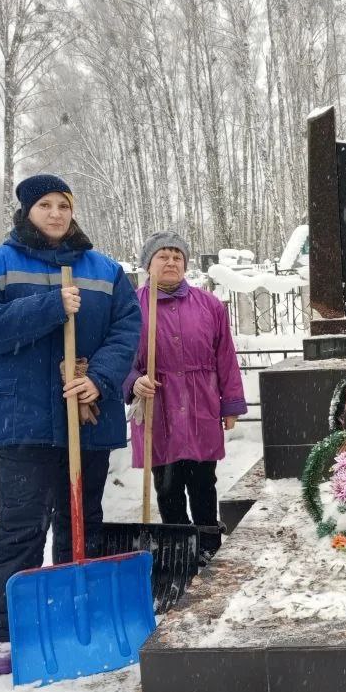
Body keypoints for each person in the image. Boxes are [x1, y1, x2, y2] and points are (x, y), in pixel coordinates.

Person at [0, 173, 141, 676]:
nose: (57, 213)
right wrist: (49, 307)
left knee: (82, 520)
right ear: (27, 211)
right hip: (25, 420)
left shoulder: (104, 270)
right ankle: (15, 633)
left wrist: (99, 379)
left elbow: (128, 328)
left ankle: (76, 619)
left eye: (63, 204)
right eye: (45, 205)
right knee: (21, 524)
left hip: (86, 416)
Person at [123, 231, 247, 565]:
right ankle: (179, 547)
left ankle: (208, 542)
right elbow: (119, 358)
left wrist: (230, 403)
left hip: (200, 404)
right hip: (158, 408)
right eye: (162, 256)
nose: (171, 262)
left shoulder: (208, 305)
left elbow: (225, 356)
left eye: (177, 256)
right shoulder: (132, 307)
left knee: (204, 480)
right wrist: (133, 382)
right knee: (167, 484)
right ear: (148, 264)